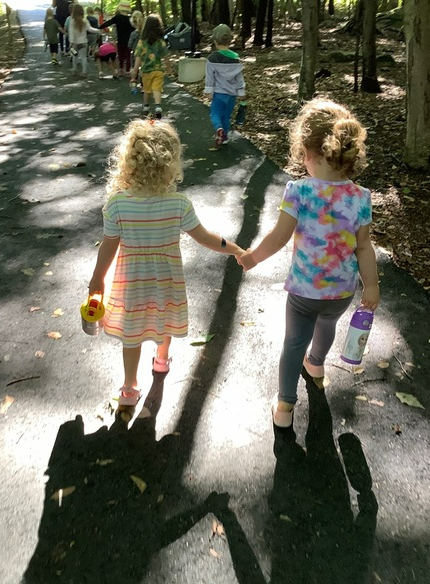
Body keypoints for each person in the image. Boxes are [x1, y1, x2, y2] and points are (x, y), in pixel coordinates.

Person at [239, 98, 380, 428]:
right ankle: (316, 364)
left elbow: (279, 236)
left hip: (304, 291)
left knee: (292, 344)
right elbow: (363, 247)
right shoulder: (360, 196)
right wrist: (371, 284)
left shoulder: (299, 191)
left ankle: (285, 408)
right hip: (342, 292)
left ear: (310, 153)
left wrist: (252, 258)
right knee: (327, 324)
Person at [88, 120, 244, 407]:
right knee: (164, 320)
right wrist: (234, 249)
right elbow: (205, 238)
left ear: (128, 162)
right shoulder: (178, 204)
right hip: (166, 281)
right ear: (170, 164)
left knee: (131, 336)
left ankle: (129, 388)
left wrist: (97, 279)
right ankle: (161, 361)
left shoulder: (117, 204)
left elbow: (108, 246)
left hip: (131, 284)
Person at [204, 24, 246, 147]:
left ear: (215, 41)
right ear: (230, 41)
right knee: (226, 116)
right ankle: (225, 137)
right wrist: (241, 92)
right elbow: (239, 77)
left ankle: (218, 128)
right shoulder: (236, 59)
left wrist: (208, 91)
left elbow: (209, 76)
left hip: (219, 93)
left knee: (215, 113)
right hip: (231, 94)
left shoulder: (212, 58)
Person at [130, 14, 172, 119]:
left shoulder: (142, 42)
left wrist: (134, 72)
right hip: (158, 70)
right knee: (157, 89)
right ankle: (158, 107)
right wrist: (169, 68)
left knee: (146, 90)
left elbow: (138, 58)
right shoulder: (161, 42)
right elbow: (166, 57)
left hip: (146, 71)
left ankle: (146, 107)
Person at [98, 1, 134, 75]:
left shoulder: (117, 17)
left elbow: (109, 22)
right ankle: (127, 70)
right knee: (128, 56)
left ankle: (121, 69)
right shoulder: (131, 19)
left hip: (120, 40)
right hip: (129, 40)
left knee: (120, 55)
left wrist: (100, 27)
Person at [68, 3, 100, 78]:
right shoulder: (85, 20)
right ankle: (84, 72)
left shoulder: (72, 21)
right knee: (83, 57)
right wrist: (98, 30)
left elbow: (71, 33)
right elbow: (90, 29)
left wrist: (71, 42)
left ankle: (74, 70)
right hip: (84, 42)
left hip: (75, 43)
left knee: (74, 56)